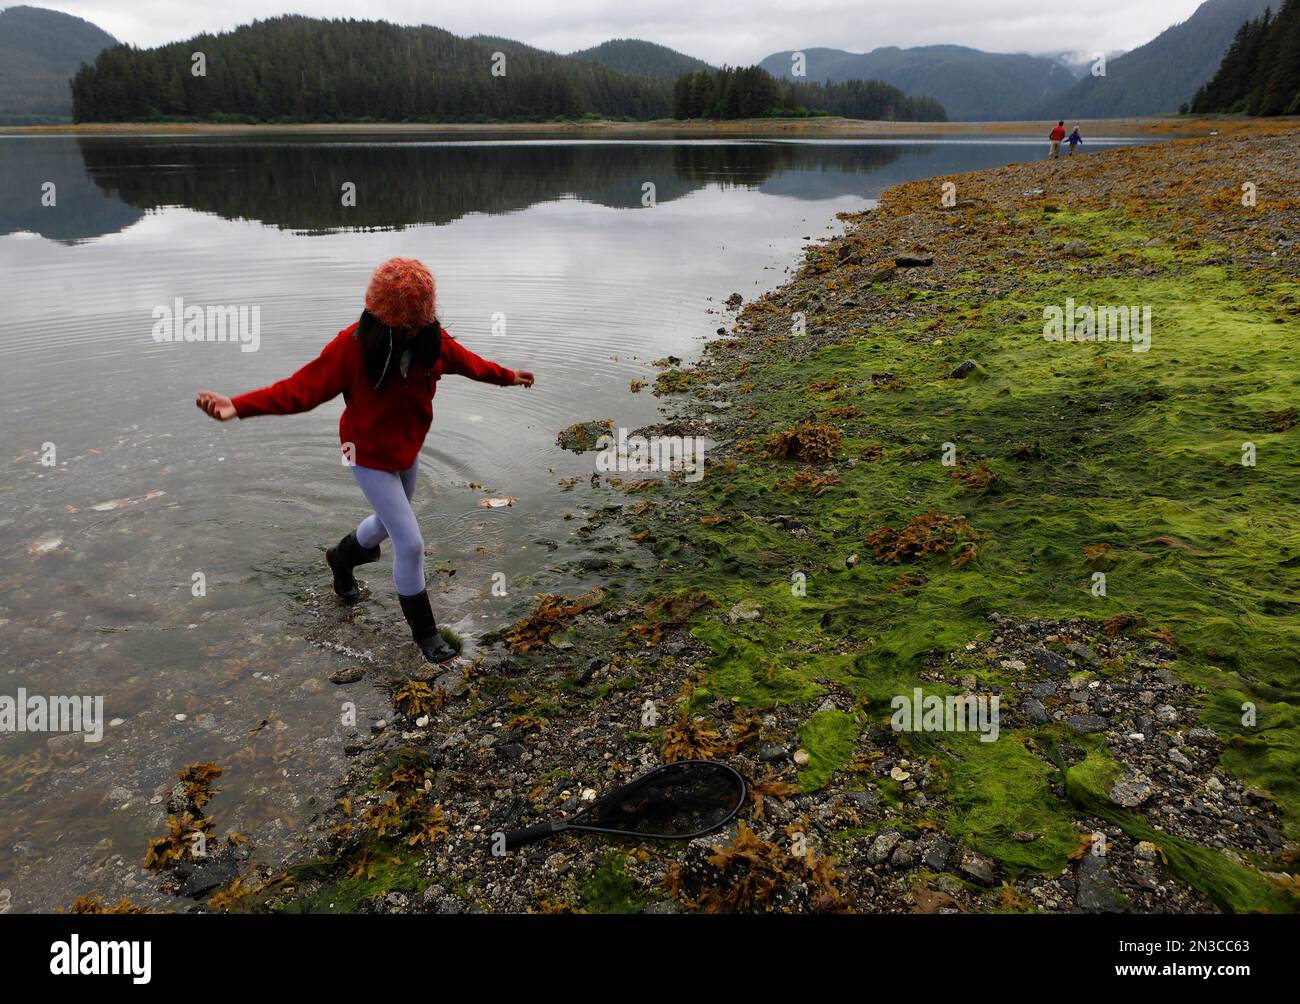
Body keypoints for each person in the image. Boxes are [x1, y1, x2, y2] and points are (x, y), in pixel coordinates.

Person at [195, 257, 534, 664]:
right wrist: (239, 405)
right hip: (366, 457)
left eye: (418, 323)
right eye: (403, 325)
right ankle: (426, 635)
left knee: (389, 525)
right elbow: (299, 389)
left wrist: (507, 376)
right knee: (410, 543)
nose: (411, 331)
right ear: (381, 317)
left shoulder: (433, 343)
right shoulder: (351, 349)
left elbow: (472, 364)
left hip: (406, 452)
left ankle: (341, 557)